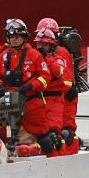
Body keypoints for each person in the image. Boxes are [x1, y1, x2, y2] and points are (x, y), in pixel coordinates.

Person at [0, 19, 52, 152]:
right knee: (9, 136)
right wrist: (0, 87)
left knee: (45, 140)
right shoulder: (3, 57)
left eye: (17, 36)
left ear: (24, 37)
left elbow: (45, 77)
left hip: (32, 103)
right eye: (11, 36)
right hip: (10, 103)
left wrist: (30, 86)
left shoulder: (34, 55)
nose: (14, 39)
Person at [34, 28, 69, 157]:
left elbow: (58, 72)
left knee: (54, 136)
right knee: (41, 137)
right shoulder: (34, 58)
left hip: (54, 101)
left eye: (44, 44)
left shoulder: (58, 59)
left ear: (51, 45)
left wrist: (46, 57)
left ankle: (61, 164)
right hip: (38, 100)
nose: (40, 47)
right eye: (39, 44)